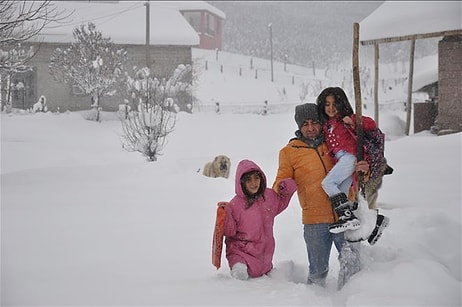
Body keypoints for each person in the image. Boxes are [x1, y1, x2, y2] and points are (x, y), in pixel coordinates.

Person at [272, 103, 381, 287]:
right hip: (315, 221)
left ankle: (353, 297)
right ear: (299, 126)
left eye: (314, 122)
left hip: (346, 217)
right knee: (317, 271)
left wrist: (364, 170)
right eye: (305, 124)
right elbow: (280, 180)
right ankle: (314, 300)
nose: (311, 128)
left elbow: (355, 170)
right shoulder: (289, 152)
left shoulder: (333, 144)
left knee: (352, 268)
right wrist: (283, 186)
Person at [316, 87, 389, 234]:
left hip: (350, 157)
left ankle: (347, 217)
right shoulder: (326, 125)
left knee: (328, 183)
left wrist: (354, 120)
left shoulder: (346, 119)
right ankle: (374, 223)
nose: (331, 108)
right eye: (327, 104)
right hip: (341, 160)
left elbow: (371, 124)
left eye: (334, 103)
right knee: (342, 193)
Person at [220, 159, 297, 280]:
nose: (254, 183)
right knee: (241, 277)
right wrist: (225, 216)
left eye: (256, 178)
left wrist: (287, 187)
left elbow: (281, 202)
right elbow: (229, 232)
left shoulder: (269, 197)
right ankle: (237, 279)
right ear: (241, 183)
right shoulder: (235, 205)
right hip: (241, 254)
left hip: (264, 254)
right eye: (248, 180)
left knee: (264, 273)